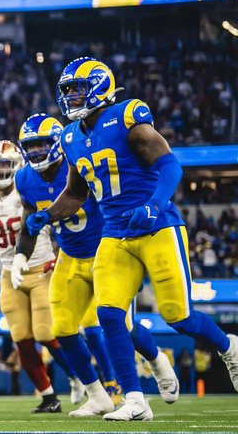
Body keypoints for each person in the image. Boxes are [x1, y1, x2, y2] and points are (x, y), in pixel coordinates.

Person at [26, 57, 238, 421]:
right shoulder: (71, 136)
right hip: (115, 233)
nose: (71, 97)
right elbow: (76, 193)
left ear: (99, 86)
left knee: (179, 317)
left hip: (158, 227)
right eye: (67, 91)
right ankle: (135, 400)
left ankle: (229, 347)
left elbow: (169, 165)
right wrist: (48, 214)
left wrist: (155, 204)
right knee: (109, 314)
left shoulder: (126, 117)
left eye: (77, 89)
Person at [13, 113, 177, 417]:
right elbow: (28, 224)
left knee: (120, 327)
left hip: (106, 249)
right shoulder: (24, 178)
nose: (35, 151)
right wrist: (20, 256)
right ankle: (98, 396)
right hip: (70, 256)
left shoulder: (80, 163)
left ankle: (157, 360)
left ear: (57, 143)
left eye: (41, 144)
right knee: (61, 329)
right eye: (30, 146)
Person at [0, 140, 65, 413]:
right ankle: (49, 396)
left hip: (41, 268)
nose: (0, 170)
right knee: (21, 339)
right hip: (9, 273)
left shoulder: (29, 187)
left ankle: (84, 381)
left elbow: (62, 225)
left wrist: (59, 257)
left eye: (5, 164)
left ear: (17, 164)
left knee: (46, 333)